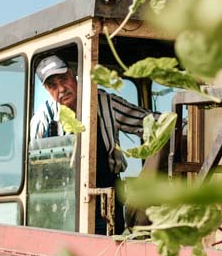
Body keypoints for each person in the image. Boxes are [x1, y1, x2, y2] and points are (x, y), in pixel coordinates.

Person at [30, 55, 158, 232]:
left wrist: (179, 122)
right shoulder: (44, 118)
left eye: (64, 79)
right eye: (53, 85)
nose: (61, 89)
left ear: (73, 74)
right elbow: (34, 171)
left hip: (108, 200)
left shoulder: (106, 103)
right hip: (63, 204)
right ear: (46, 89)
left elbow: (149, 122)